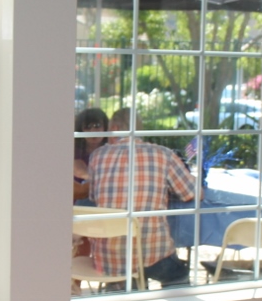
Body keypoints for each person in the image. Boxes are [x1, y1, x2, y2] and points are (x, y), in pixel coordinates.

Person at [88, 108, 197, 288]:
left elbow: (94, 196)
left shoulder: (97, 157)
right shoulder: (163, 154)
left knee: (124, 277)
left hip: (110, 257)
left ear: (114, 127)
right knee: (179, 276)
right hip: (154, 254)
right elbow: (191, 193)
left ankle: (125, 296)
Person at [72, 107, 108, 203]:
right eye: (87, 127)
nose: (93, 131)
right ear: (81, 130)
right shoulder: (74, 152)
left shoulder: (111, 152)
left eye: (97, 126)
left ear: (106, 128)